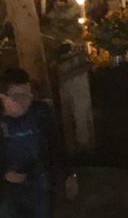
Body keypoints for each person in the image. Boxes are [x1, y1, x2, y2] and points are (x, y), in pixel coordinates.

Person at [0, 67, 76, 218]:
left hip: (38, 182)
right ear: (2, 97)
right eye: (18, 97)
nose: (25, 102)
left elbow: (56, 145)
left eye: (28, 95)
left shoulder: (40, 113)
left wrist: (69, 175)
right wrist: (4, 173)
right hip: (6, 190)